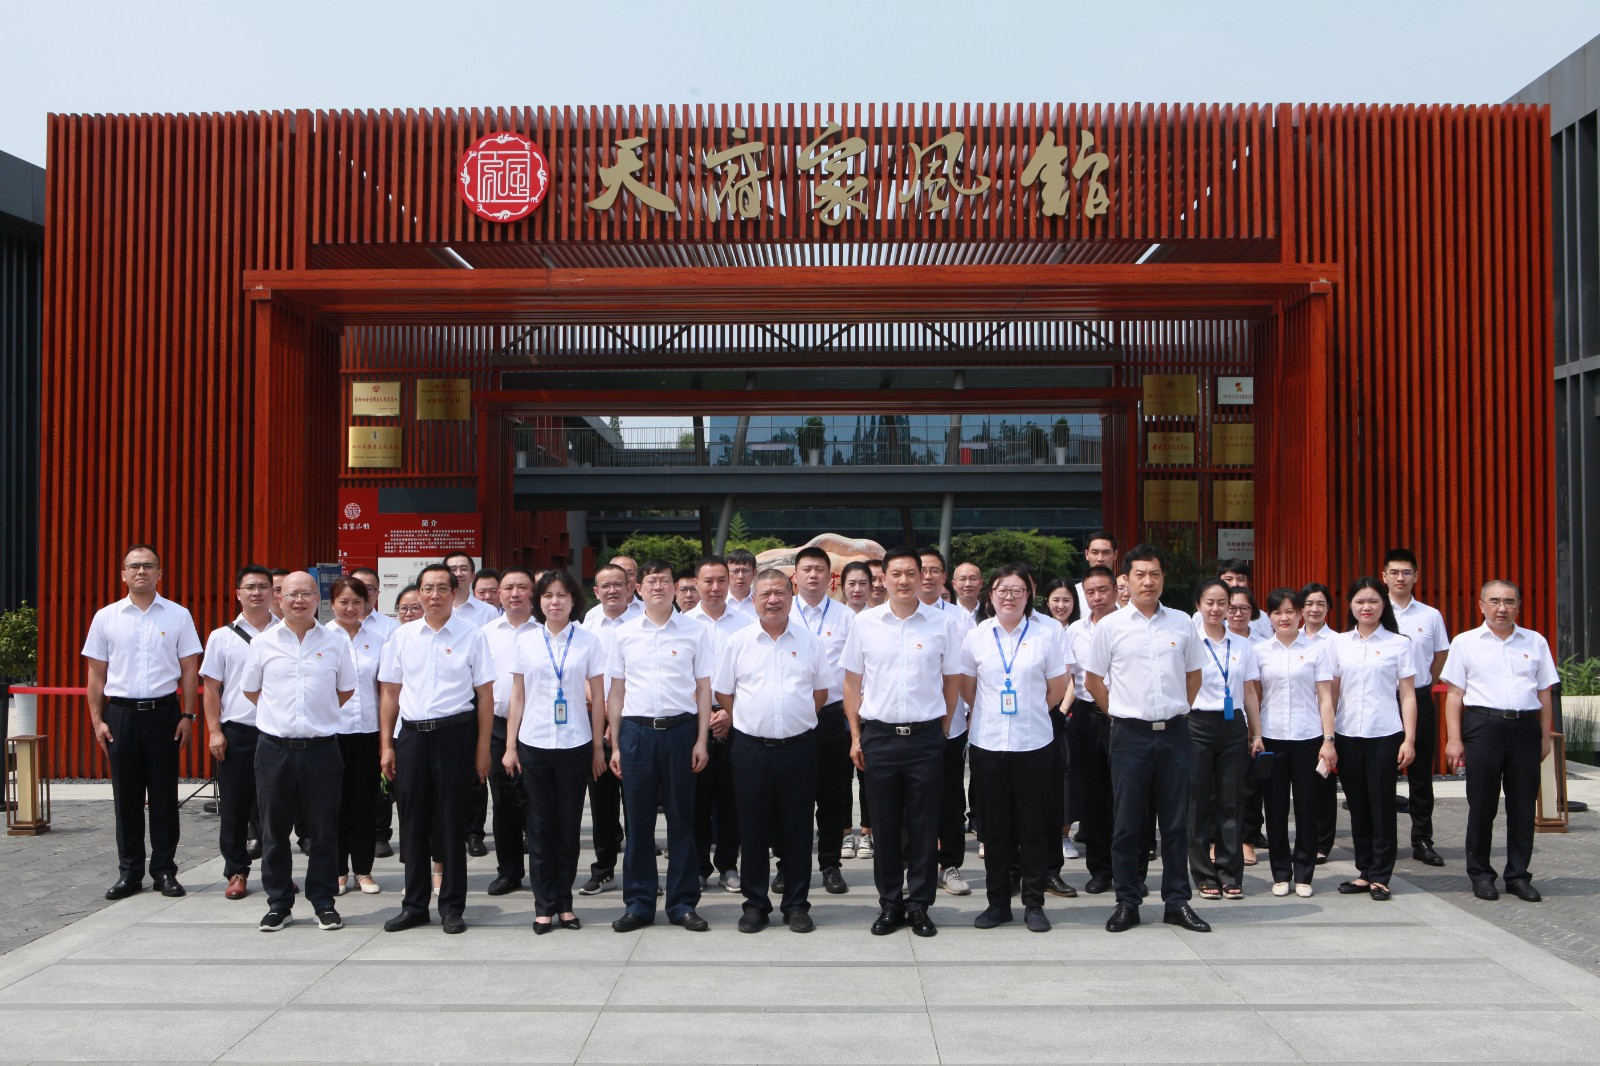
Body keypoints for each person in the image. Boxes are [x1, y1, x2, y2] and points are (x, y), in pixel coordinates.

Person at [1081, 544, 1211, 934]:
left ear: (1163, 578)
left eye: (1154, 573)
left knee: (1175, 823)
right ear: (1126, 579)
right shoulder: (1111, 626)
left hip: (1174, 735)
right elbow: (1093, 680)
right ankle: (1127, 901)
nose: (1148, 581)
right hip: (1129, 736)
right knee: (1126, 823)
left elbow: (1194, 675)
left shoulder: (1182, 623)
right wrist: (1120, 713)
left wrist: (1176, 710)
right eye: (1140, 574)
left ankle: (1177, 901)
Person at [841, 546, 962, 937]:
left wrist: (943, 727)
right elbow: (852, 683)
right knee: (885, 824)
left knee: (925, 825)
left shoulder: (942, 623)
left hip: (926, 737)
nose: (905, 580)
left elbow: (952, 681)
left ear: (923, 576)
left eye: (912, 572)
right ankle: (891, 902)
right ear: (884, 579)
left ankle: (920, 904)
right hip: (879, 736)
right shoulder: (865, 623)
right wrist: (856, 736)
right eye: (896, 574)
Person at [378, 563, 495, 934]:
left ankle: (452, 906)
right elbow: (390, 693)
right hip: (412, 737)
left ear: (454, 592)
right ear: (419, 593)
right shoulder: (402, 636)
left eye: (442, 588)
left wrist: (482, 750)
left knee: (451, 822)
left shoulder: (472, 636)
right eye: (427, 588)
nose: (434, 595)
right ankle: (414, 905)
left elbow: (485, 696)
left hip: (455, 736)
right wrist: (387, 745)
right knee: (412, 821)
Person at [83, 544, 203, 901]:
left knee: (164, 796)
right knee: (126, 798)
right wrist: (97, 720)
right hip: (120, 715)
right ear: (123, 574)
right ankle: (130, 872)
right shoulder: (106, 617)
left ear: (159, 573)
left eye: (149, 566)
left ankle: (165, 870)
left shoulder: (178, 615)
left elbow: (189, 670)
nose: (141, 572)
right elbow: (96, 673)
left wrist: (188, 715)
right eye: (134, 566)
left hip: (164, 714)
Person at [715, 569, 831, 933]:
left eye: (780, 593)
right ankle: (755, 904)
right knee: (752, 830)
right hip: (750, 749)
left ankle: (796, 904)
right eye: (765, 594)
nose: (773, 600)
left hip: (799, 748)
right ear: (753, 600)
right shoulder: (738, 642)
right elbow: (724, 692)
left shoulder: (811, 642)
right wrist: (749, 719)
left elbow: (820, 693)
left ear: (791, 597)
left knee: (798, 829)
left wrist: (795, 720)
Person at [242, 571, 356, 931]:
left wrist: (316, 716)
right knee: (274, 833)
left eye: (306, 594)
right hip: (274, 750)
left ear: (317, 599)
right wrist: (282, 718)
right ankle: (278, 903)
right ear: (280, 599)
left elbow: (345, 689)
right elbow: (251, 690)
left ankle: (323, 901)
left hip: (322, 750)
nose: (299, 600)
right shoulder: (263, 642)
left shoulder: (335, 641)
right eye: (291, 594)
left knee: (323, 832)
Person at [960, 564, 1069, 932]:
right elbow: (968, 688)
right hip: (988, 743)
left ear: (1028, 596)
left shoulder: (1046, 635)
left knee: (1033, 827)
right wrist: (991, 712)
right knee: (994, 830)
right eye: (1002, 590)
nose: (1009, 596)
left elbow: (1057, 687)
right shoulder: (976, 637)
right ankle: (997, 903)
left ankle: (1034, 903)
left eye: (1017, 590)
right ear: (991, 596)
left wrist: (1030, 711)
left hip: (1033, 743)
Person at [607, 560, 715, 932]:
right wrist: (616, 744)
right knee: (638, 823)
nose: (658, 587)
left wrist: (701, 740)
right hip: (636, 734)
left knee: (682, 820)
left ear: (676, 587)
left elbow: (704, 689)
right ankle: (638, 903)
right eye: (651, 581)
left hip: (681, 732)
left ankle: (682, 903)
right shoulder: (623, 633)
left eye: (664, 581)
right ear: (638, 588)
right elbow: (616, 691)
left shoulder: (695, 631)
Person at [1441, 580, 1558, 903]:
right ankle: (1481, 874)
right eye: (1494, 601)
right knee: (1482, 805)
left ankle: (1518, 876)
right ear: (1481, 605)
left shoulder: (1535, 641)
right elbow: (1454, 695)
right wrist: (1454, 739)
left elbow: (1544, 693)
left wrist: (1545, 736)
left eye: (1509, 601)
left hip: (1525, 728)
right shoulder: (1465, 642)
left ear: (1518, 605)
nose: (1501, 608)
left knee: (1522, 806)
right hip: (1483, 727)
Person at [504, 570, 607, 931]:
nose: (555, 602)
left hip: (575, 744)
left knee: (568, 826)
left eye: (562, 595)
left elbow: (599, 697)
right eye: (548, 595)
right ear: (539, 601)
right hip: (534, 743)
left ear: (573, 600)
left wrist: (598, 747)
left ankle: (565, 903)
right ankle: (543, 905)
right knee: (539, 826)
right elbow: (518, 695)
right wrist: (510, 745)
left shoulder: (589, 641)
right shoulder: (526, 641)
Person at [1330, 577, 1418, 901]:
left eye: (1373, 601)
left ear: (1383, 605)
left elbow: (1408, 695)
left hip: (1385, 735)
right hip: (1347, 734)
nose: (1366, 607)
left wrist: (1409, 739)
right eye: (1360, 601)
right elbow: (1331, 693)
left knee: (1382, 805)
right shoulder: (1339, 643)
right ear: (1350, 605)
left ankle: (1381, 875)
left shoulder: (1399, 643)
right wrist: (1328, 738)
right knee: (1357, 805)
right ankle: (1364, 871)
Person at [1254, 588, 1337, 897]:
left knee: (1307, 807)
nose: (1284, 617)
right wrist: (1256, 735)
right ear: (1269, 617)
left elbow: (1325, 698)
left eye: (1290, 611)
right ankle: (1280, 873)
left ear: (1300, 614)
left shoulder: (1317, 650)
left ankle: (1304, 873)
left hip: (1308, 737)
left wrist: (1328, 740)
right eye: (1277, 612)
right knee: (1274, 808)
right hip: (1272, 738)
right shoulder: (1260, 651)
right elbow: (1255, 697)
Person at [200, 564, 274, 900]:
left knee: (276, 808)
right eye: (250, 587)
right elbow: (211, 689)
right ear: (238, 594)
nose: (257, 592)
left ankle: (276, 872)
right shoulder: (222, 636)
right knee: (234, 807)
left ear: (273, 593)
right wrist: (214, 731)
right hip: (237, 732)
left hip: (277, 732)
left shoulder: (287, 632)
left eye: (263, 586)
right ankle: (236, 871)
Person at [1187, 579, 1263, 901]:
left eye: (1223, 603)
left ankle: (1230, 874)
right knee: (1198, 803)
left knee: (1232, 801)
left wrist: (1256, 733)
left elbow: (1249, 692)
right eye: (1210, 602)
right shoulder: (1190, 642)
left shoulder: (1243, 645)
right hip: (1197, 724)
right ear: (1198, 606)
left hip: (1233, 726)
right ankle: (1204, 875)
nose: (1217, 609)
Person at [788, 545, 854, 894]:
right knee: (791, 796)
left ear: (831, 578)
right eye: (806, 569)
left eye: (819, 569)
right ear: (795, 577)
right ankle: (788, 865)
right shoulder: (781, 611)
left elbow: (856, 672)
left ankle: (830, 864)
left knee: (832, 796)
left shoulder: (846, 617)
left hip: (831, 717)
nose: (813, 575)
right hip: (790, 717)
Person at [684, 556, 753, 892]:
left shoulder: (746, 624)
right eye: (708, 581)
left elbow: (753, 675)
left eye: (721, 581)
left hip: (734, 719)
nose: (715, 588)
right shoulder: (682, 624)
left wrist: (730, 711)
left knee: (731, 798)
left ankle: (728, 864)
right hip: (692, 721)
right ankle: (698, 866)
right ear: (696, 584)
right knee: (695, 799)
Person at [1383, 548, 1450, 867]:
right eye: (1394, 572)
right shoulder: (1375, 611)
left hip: (1419, 698)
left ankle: (1422, 840)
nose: (1400, 578)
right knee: (1382, 774)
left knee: (1421, 774)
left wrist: (1423, 683)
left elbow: (1440, 655)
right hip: (1384, 699)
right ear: (1384, 576)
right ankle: (1383, 841)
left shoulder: (1430, 615)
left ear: (1416, 576)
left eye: (1406, 572)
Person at [478, 567, 540, 895]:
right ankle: (509, 871)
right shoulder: (484, 634)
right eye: (508, 588)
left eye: (522, 587)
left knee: (539, 801)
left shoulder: (546, 631)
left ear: (533, 593)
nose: (515, 594)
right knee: (503, 801)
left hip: (538, 725)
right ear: (499, 594)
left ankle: (544, 871)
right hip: (497, 726)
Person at [918, 547, 975, 898]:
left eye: (934, 570)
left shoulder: (959, 618)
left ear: (944, 578)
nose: (927, 576)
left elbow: (968, 671)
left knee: (951, 797)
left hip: (951, 726)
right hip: (911, 725)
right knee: (911, 799)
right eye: (921, 569)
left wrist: (966, 712)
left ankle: (949, 864)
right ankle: (914, 864)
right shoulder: (890, 615)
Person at [576, 563, 635, 897]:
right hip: (596, 721)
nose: (612, 590)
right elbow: (583, 675)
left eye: (618, 584)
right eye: (605, 586)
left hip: (634, 721)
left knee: (636, 801)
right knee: (601, 800)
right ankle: (603, 870)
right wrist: (606, 719)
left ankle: (640, 872)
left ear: (630, 588)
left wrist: (619, 719)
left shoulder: (644, 622)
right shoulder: (587, 626)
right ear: (596, 592)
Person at [326, 575, 386, 896]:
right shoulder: (322, 637)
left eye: (357, 602)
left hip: (368, 732)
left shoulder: (377, 640)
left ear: (367, 603)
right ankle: (337, 870)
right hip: (332, 733)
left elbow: (384, 689)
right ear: (332, 603)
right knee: (335, 804)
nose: (350, 608)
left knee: (365, 803)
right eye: (344, 602)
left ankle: (363, 870)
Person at [1066, 566, 1117, 894]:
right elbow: (1070, 677)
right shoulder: (1075, 630)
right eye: (1090, 592)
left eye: (1103, 590)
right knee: (1093, 796)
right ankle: (1100, 869)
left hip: (1123, 715)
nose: (1097, 597)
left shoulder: (1128, 625)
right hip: (1086, 716)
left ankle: (1131, 870)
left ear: (1116, 590)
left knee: (1127, 796)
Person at [374, 584, 423, 858]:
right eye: (403, 608)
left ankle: (438, 862)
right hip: (403, 732)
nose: (409, 612)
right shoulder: (393, 644)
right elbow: (388, 695)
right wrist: (386, 744)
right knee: (406, 797)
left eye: (415, 607)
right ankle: (410, 855)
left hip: (439, 732)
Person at [1040, 578, 1081, 872]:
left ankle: (1064, 834)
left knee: (1068, 774)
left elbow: (1074, 677)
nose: (1061, 605)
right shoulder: (1041, 629)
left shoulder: (1076, 631)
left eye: (1066, 600)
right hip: (1041, 709)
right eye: (1056, 599)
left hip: (1067, 711)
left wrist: (1062, 709)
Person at [1225, 584, 1268, 865]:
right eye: (1232, 608)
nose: (1238, 613)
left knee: (1250, 785)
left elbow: (1257, 689)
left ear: (1253, 612)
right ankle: (1219, 840)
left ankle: (1247, 839)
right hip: (1222, 721)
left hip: (1254, 717)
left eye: (1244, 608)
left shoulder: (1261, 644)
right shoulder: (1212, 639)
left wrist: (1256, 729)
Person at [1300, 582, 1340, 862]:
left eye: (1320, 604)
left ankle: (1323, 842)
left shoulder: (1337, 641)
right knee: (1304, 785)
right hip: (1301, 722)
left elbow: (1336, 688)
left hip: (1328, 722)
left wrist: (1330, 729)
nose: (1314, 609)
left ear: (1328, 608)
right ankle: (1306, 838)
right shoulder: (1292, 637)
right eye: (1309, 604)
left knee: (1324, 782)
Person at [444, 551, 499, 629]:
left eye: (463, 569)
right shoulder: (435, 609)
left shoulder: (489, 612)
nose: (458, 574)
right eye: (453, 569)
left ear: (473, 576)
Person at [583, 557, 643, 627]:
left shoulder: (647, 611)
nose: (627, 578)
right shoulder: (592, 615)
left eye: (630, 573)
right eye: (605, 586)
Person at [1076, 532, 1118, 619]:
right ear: (1087, 554)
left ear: (1115, 554)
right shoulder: (1075, 593)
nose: (1100, 558)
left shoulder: (1127, 591)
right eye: (1095, 552)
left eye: (1106, 552)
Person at [725, 548, 758, 617]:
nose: (740, 576)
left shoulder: (761, 601)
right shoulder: (719, 602)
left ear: (754, 572)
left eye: (745, 571)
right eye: (735, 571)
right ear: (725, 573)